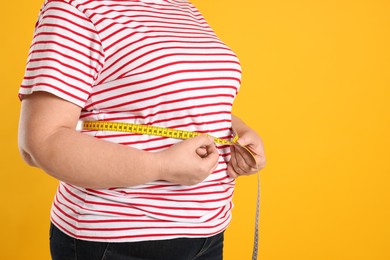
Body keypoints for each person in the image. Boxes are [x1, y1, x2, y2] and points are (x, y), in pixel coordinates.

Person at [18, 0, 266, 259]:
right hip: (118, 237)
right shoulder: (75, 9)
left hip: (208, 229)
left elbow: (175, 102)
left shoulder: (182, 7)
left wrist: (240, 131)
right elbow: (40, 143)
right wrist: (161, 166)